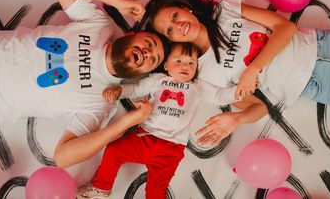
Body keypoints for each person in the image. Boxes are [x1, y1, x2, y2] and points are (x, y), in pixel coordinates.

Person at [0, 0, 168, 168]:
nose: (148, 53)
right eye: (149, 43)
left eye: (153, 60)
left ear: (142, 73)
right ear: (131, 35)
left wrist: (125, 123)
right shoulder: (99, 26)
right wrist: (119, 3)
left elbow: (63, 156)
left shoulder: (102, 103)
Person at [142, 0, 330, 146]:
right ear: (171, 40)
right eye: (169, 30)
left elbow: (285, 28)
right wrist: (237, 119)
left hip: (329, 45)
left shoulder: (225, 10)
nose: (178, 26)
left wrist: (253, 69)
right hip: (323, 86)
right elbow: (259, 107)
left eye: (174, 16)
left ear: (185, 9)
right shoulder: (204, 78)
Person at [77, 42, 238, 199]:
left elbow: (219, 96)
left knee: (155, 192)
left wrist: (240, 91)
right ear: (166, 65)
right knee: (114, 151)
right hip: (145, 137)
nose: (185, 66)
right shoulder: (157, 80)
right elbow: (135, 89)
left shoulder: (197, 87)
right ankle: (102, 186)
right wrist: (119, 90)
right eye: (179, 61)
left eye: (191, 63)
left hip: (171, 149)